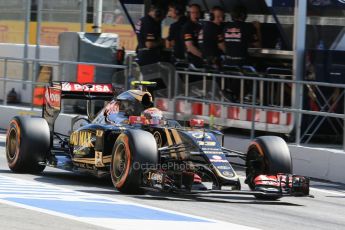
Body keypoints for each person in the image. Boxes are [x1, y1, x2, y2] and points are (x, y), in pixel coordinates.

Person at [181, 4, 203, 68]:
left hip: (199, 59)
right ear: (189, 14)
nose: (195, 14)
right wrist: (203, 57)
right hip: (193, 60)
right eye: (193, 13)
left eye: (197, 12)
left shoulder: (200, 25)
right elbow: (190, 46)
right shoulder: (188, 27)